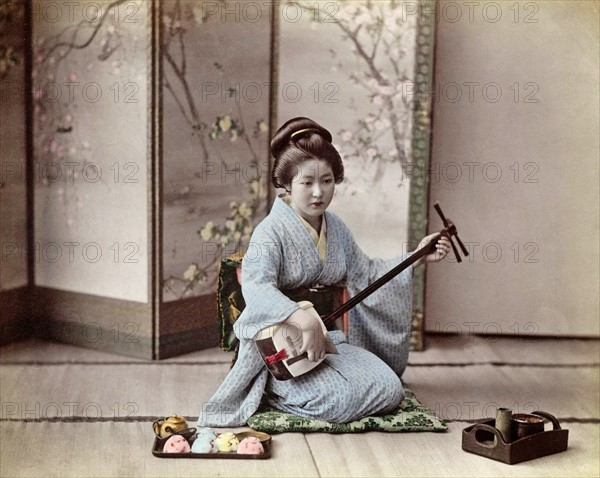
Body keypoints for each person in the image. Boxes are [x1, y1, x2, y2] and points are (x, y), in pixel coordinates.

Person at [198, 117, 450, 427]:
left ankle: (313, 390)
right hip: (284, 346)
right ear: (287, 184)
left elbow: (367, 274)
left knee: (389, 388)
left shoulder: (337, 229)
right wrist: (300, 316)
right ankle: (271, 390)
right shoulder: (270, 233)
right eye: (307, 183)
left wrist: (416, 256)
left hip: (329, 337)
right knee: (340, 401)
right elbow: (257, 288)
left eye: (327, 181)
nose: (319, 192)